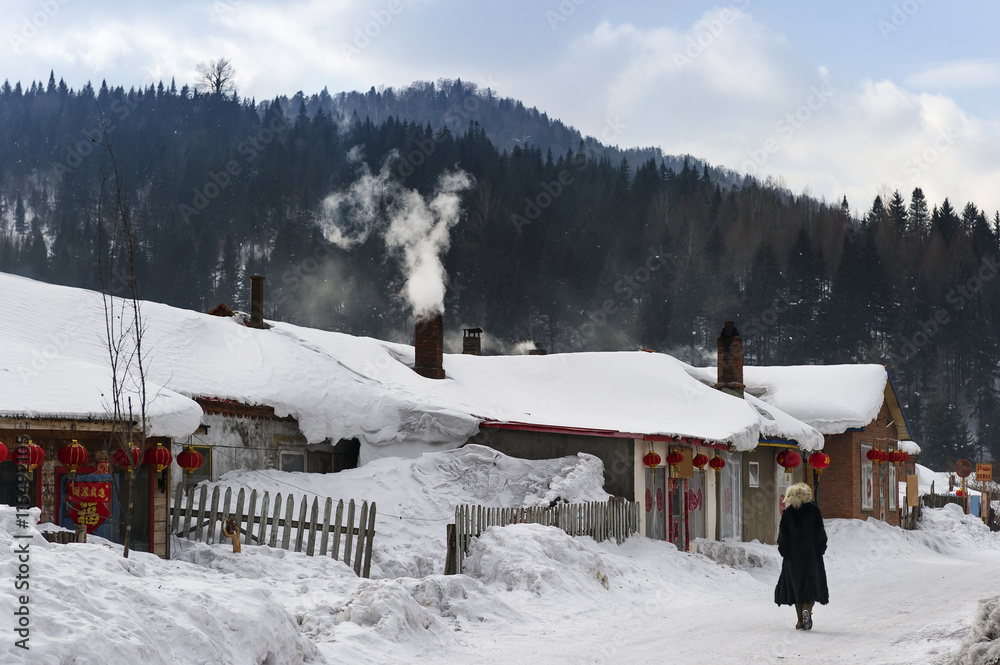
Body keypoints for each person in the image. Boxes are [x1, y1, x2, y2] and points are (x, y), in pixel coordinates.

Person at [774, 482, 829, 630]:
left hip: (793, 557)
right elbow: (820, 534)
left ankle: (800, 620)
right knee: (812, 585)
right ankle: (808, 608)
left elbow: (782, 537)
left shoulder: (788, 513)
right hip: (811, 555)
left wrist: (784, 551)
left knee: (796, 587)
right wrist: (820, 549)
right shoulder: (814, 511)